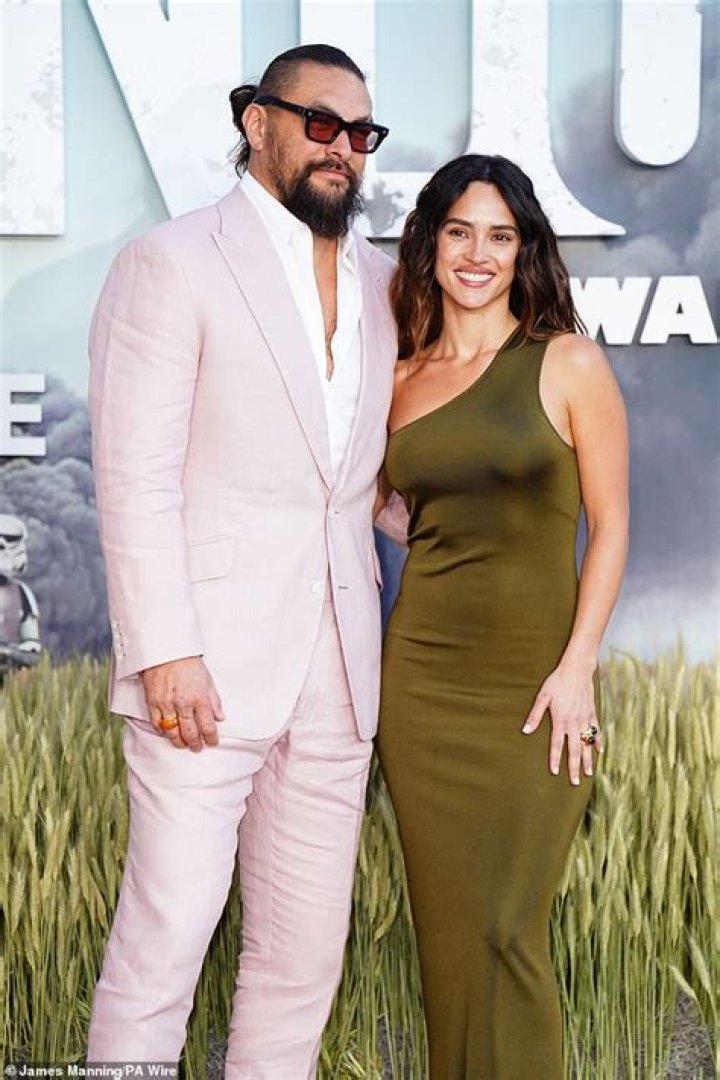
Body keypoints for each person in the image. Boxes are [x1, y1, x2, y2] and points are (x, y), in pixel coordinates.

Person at [87, 44, 396, 1076]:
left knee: (302, 963)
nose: (342, 147)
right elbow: (136, 476)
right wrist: (164, 651)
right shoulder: (171, 261)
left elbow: (368, 481)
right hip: (204, 672)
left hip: (341, 671)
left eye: (361, 133)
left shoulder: (386, 281)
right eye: (320, 123)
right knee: (162, 949)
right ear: (256, 122)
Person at [376, 154, 629, 1078]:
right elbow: (382, 504)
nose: (477, 254)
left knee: (506, 928)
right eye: (459, 232)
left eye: (500, 235)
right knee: (447, 938)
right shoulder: (398, 378)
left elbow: (611, 524)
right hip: (422, 689)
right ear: (431, 242)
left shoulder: (565, 361)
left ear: (524, 250)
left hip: (536, 690)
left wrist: (577, 666)